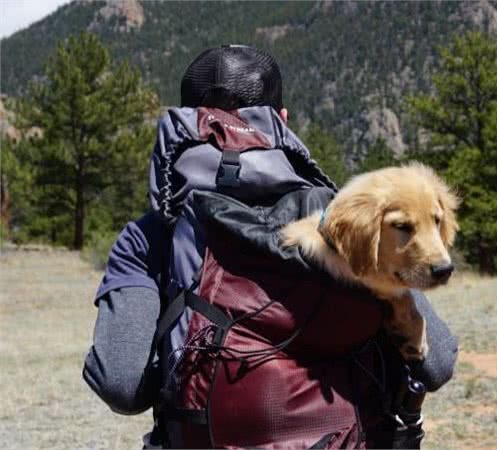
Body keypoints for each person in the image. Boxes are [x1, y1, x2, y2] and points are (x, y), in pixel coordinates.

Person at [83, 45, 458, 449]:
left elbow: (121, 384)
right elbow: (435, 366)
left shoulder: (151, 235)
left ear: (190, 121)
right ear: (283, 120)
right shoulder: (342, 221)